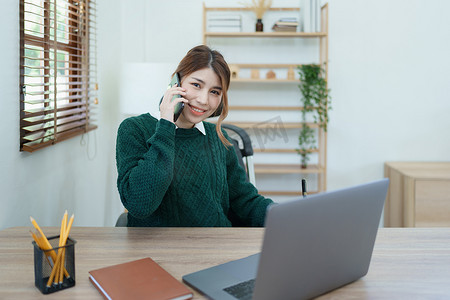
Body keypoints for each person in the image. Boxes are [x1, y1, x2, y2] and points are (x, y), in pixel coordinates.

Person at [116, 45, 273, 227]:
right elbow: (139, 204)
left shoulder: (220, 138)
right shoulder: (134, 129)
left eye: (215, 92)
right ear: (176, 83)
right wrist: (166, 126)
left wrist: (284, 216)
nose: (203, 100)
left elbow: (245, 201)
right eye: (196, 85)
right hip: (158, 252)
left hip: (216, 248)